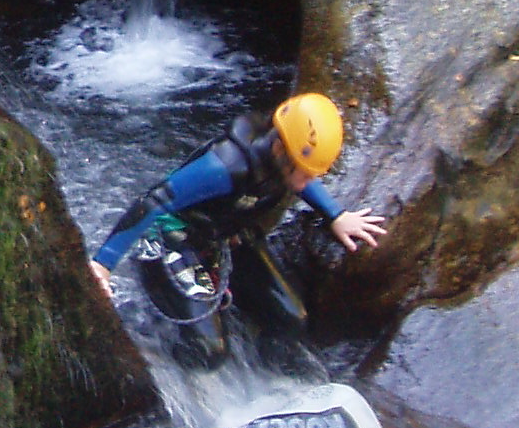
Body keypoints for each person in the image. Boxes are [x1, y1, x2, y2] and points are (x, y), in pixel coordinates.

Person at [91, 92, 385, 345]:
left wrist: (336, 215)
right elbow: (153, 202)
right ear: (281, 149)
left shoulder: (286, 159)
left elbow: (303, 181)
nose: (304, 183)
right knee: (210, 351)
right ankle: (160, 354)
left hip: (223, 236)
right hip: (171, 240)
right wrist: (103, 265)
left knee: (291, 320)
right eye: (303, 171)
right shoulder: (224, 167)